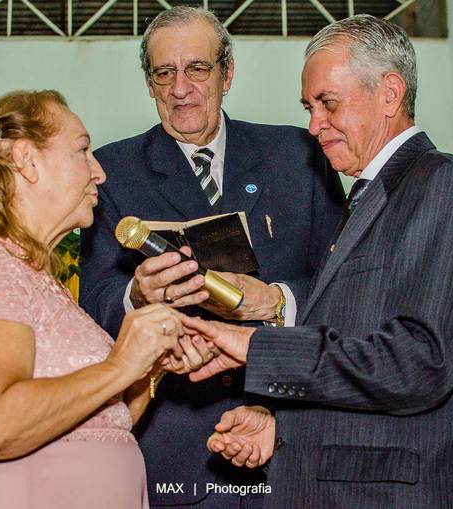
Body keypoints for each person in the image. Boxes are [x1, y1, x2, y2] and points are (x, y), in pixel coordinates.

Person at [182, 14, 453, 509]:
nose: (313, 126)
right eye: (309, 107)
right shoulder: (364, 201)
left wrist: (261, 347)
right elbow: (361, 357)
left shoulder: (443, 185)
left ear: (390, 94)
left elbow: (420, 362)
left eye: (328, 104)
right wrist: (283, 429)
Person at [78, 7, 345, 508]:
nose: (181, 88)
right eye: (164, 72)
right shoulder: (111, 172)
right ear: (149, 83)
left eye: (197, 69)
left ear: (227, 73)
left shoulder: (298, 154)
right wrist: (135, 296)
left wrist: (278, 299)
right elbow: (93, 305)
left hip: (293, 432)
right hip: (178, 451)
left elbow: (346, 285)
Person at [0, 90, 214, 509]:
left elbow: (106, 424)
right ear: (28, 161)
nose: (99, 172)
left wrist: (149, 368)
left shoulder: (35, 277)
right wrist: (121, 364)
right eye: (83, 150)